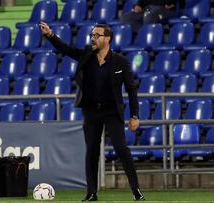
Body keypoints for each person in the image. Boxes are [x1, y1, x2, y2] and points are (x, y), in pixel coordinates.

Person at [40, 22, 145, 201]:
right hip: (91, 111)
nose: (93, 38)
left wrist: (134, 115)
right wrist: (51, 35)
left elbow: (131, 89)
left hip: (112, 111)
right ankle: (91, 192)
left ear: (108, 38)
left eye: (97, 35)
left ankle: (136, 190)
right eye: (92, 35)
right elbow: (66, 49)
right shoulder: (87, 56)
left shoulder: (120, 61)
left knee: (121, 149)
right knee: (92, 152)